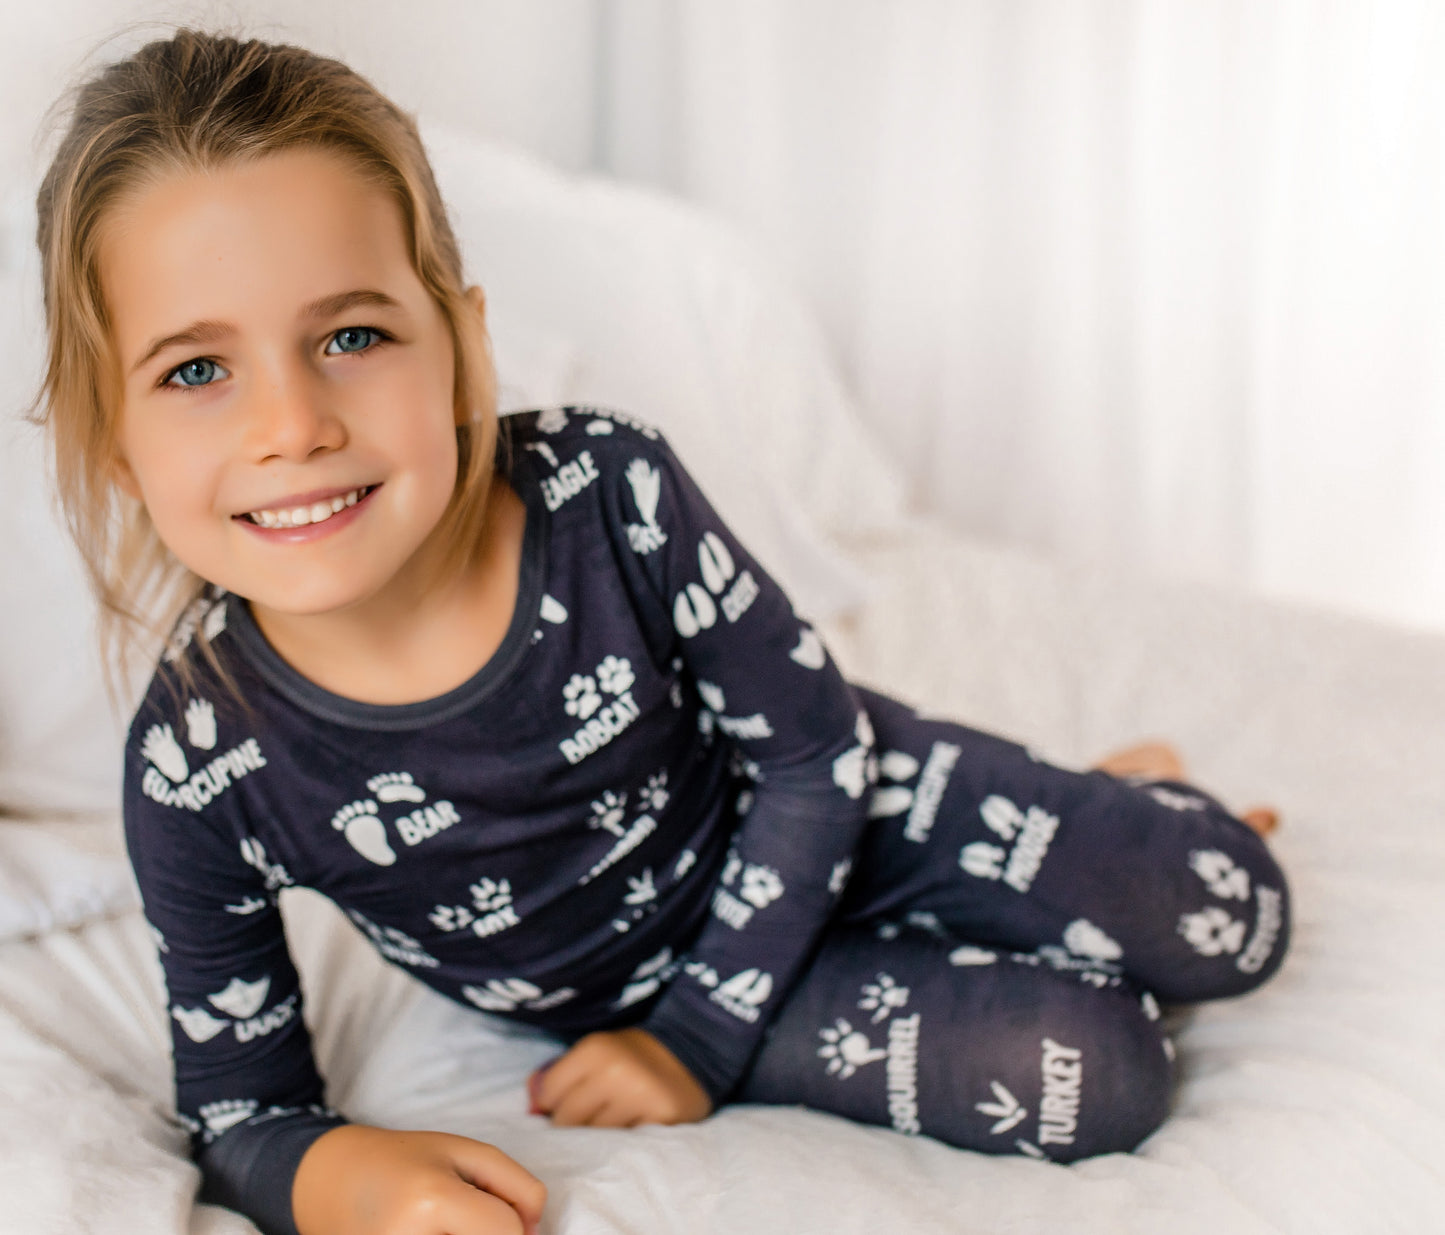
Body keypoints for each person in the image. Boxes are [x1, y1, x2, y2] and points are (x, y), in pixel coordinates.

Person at [32, 28, 1290, 1235]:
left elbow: (810, 754)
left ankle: (1103, 801)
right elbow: (243, 1109)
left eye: (352, 335)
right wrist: (345, 1178)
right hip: (651, 989)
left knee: (1227, 915)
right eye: (196, 370)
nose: (291, 422)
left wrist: (697, 1047)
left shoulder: (602, 491)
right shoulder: (199, 760)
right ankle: (1052, 848)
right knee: (1102, 1079)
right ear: (116, 443)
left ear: (463, 343)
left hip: (845, 808)